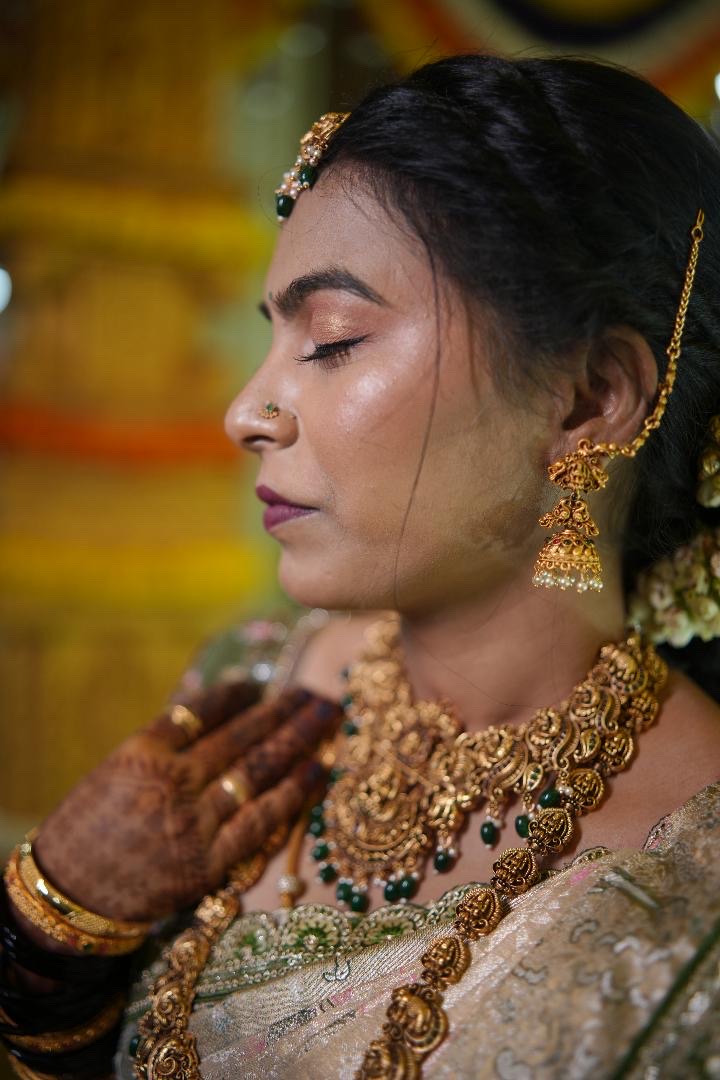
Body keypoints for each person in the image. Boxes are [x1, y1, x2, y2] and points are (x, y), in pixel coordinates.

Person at [1, 51, 719, 1080]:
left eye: (333, 338)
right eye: (274, 338)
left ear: (588, 399)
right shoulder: (243, 705)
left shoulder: (692, 883)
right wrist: (55, 929)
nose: (245, 411)